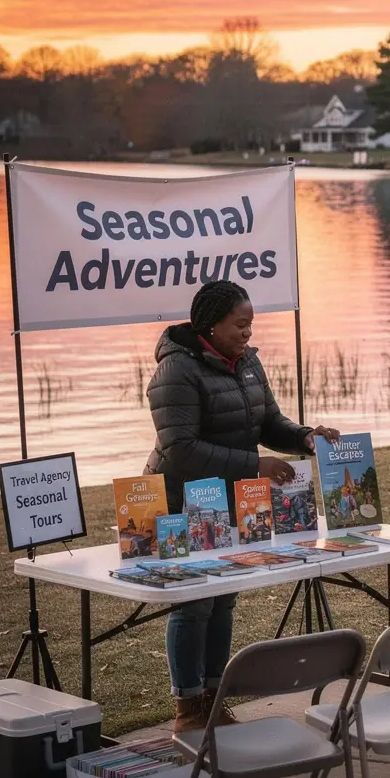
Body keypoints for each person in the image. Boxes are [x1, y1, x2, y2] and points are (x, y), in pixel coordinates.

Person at [145, 280, 340, 732]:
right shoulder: (177, 370)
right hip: (181, 499)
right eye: (241, 324)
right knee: (193, 603)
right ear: (211, 325)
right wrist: (255, 463)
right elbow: (180, 448)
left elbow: (267, 420)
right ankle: (187, 708)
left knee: (223, 601)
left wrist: (304, 437)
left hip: (231, 501)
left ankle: (215, 699)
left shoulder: (247, 362)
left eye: (251, 323)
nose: (249, 332)